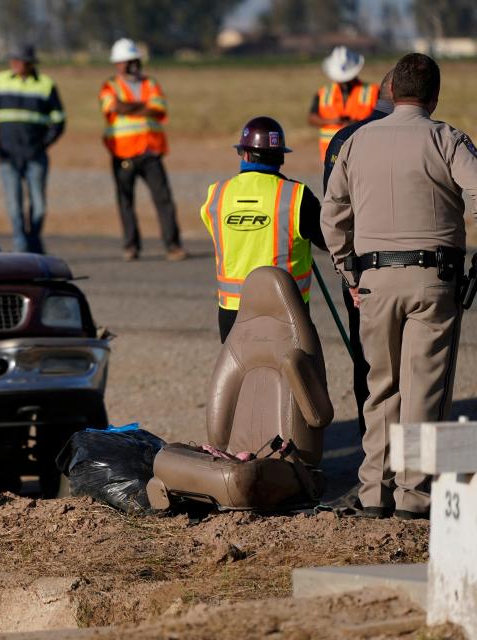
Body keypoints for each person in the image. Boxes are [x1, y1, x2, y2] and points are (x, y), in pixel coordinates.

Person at [322, 53, 477, 519]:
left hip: (372, 281)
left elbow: (333, 218)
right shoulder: (446, 138)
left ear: (390, 92)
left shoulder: (356, 141)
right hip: (434, 280)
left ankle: (373, 491)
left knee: (380, 388)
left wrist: (351, 275)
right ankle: (416, 497)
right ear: (434, 96)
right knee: (425, 387)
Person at [200, 117, 326, 342]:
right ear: (281, 157)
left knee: (243, 374)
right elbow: (328, 241)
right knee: (294, 374)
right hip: (286, 309)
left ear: (245, 154)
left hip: (233, 312)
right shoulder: (297, 196)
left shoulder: (216, 195)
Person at [321, 68, 395, 439]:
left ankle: (372, 445)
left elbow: (334, 214)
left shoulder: (343, 138)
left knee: (367, 361)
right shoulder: (429, 134)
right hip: (417, 272)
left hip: (361, 272)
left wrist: (348, 274)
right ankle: (410, 459)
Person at [99, 38, 187, 262]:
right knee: (126, 201)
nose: (130, 65)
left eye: (133, 60)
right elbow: (114, 107)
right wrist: (143, 107)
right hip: (122, 152)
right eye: (125, 62)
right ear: (117, 64)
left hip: (150, 151)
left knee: (164, 199)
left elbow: (159, 108)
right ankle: (131, 246)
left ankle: (173, 245)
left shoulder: (151, 83)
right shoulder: (110, 86)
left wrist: (130, 108)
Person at [0, 45, 65, 254]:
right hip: (8, 155)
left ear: (30, 63)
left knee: (39, 206)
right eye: (13, 60)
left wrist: (44, 143)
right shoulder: (0, 81)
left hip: (35, 155)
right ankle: (21, 247)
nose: (14, 64)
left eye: (19, 60)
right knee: (14, 206)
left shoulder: (46, 85)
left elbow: (59, 120)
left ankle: (34, 241)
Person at [308, 46, 379, 162]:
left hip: (362, 155)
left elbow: (383, 119)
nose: (344, 82)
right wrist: (331, 122)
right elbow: (312, 118)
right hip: (331, 157)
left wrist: (357, 124)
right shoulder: (324, 92)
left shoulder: (373, 91)